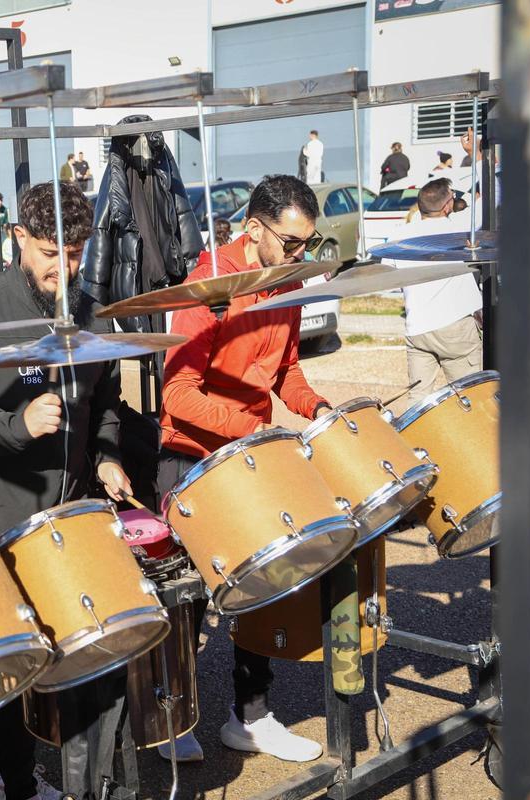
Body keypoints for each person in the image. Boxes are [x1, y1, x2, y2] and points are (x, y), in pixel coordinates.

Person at [0, 181, 131, 800]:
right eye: (49, 253)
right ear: (17, 240)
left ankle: (88, 776)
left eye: (74, 253)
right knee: (16, 664)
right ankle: (10, 777)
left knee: (81, 652)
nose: (63, 268)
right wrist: (16, 427)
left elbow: (106, 400)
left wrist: (109, 455)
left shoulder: (88, 308)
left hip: (69, 513)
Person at [158, 175, 331, 763]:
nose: (299, 256)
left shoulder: (287, 283)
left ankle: (250, 715)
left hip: (250, 453)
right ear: (253, 229)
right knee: (190, 599)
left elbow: (285, 374)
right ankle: (170, 715)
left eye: (307, 245)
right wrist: (251, 429)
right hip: (192, 456)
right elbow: (177, 396)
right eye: (291, 243)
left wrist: (319, 410)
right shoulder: (206, 287)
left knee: (262, 580)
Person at [381, 177, 482, 404]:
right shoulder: (456, 227)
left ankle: (415, 439)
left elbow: (389, 274)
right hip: (454, 327)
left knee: (417, 399)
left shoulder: (399, 235)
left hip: (417, 328)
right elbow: (491, 198)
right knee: (470, 397)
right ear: (447, 205)